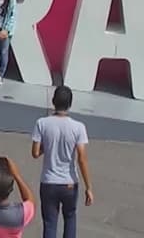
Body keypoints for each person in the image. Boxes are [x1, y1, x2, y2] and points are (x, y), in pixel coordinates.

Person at [30, 87, 93, 238]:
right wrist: (88, 187)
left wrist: (48, 145)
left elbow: (35, 153)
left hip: (49, 182)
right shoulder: (79, 127)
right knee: (70, 218)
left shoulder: (41, 123)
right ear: (70, 104)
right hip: (69, 182)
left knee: (50, 223)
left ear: (53, 101)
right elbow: (82, 158)